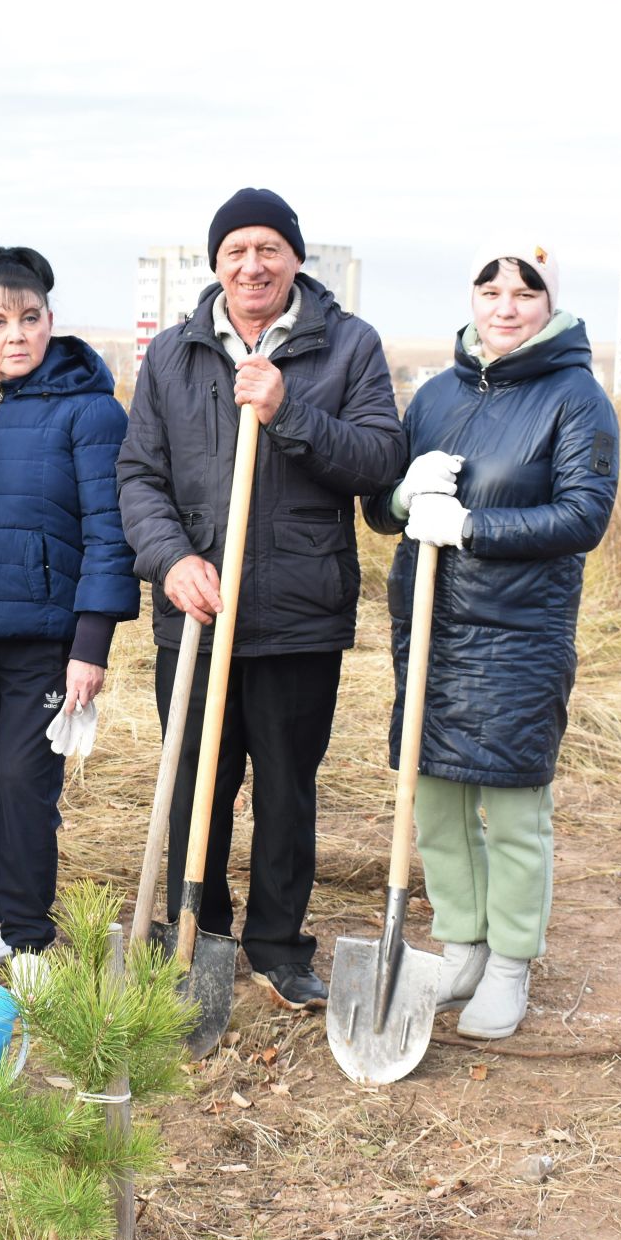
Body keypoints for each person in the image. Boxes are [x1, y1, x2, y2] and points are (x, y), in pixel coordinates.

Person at [117, 187, 406, 1010]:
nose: (253, 264)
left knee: (287, 786)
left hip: (296, 613)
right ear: (216, 263)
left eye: (269, 249)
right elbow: (139, 475)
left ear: (296, 260)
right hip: (198, 616)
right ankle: (194, 936)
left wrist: (289, 411)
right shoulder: (173, 355)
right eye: (236, 250)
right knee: (195, 790)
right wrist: (169, 560)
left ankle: (279, 946)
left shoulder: (347, 346)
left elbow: (380, 460)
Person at [361, 241, 619, 1039]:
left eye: (525, 292)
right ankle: (462, 948)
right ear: (472, 301)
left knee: (510, 812)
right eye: (491, 290)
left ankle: (509, 965)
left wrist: (470, 525)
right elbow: (381, 507)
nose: (506, 306)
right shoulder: (436, 395)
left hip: (518, 637)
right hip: (431, 631)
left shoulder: (576, 399)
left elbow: (584, 517)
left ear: (551, 305)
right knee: (434, 803)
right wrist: (403, 495)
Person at [0, 245, 138, 979]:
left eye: (29, 318)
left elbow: (108, 532)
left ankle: (28, 939)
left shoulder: (91, 412)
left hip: (44, 638)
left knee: (26, 782)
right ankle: (6, 911)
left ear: (50, 322)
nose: (15, 333)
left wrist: (92, 642)